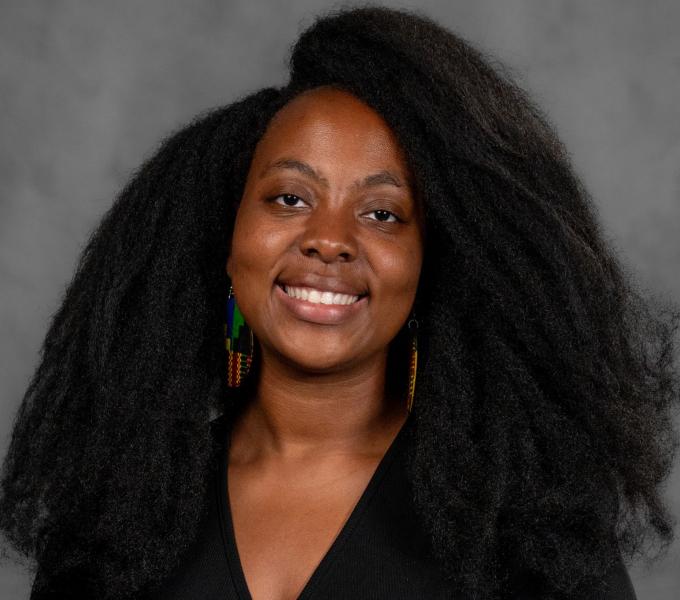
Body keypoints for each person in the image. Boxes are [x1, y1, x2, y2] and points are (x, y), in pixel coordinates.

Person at [1, 6, 678, 600]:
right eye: (289, 198)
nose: (329, 241)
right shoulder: (118, 507)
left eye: (383, 213)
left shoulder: (528, 528)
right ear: (223, 237)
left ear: (434, 264)